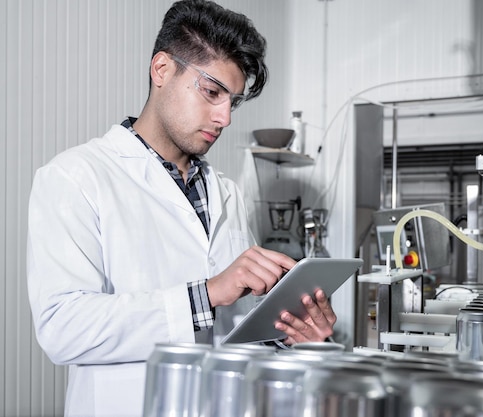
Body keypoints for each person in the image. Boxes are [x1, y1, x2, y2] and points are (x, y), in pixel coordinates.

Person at [26, 1, 337, 416]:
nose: (224, 117)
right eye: (211, 92)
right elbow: (62, 328)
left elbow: (236, 325)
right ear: (161, 70)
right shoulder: (75, 177)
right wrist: (206, 295)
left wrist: (292, 332)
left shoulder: (226, 192)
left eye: (233, 102)